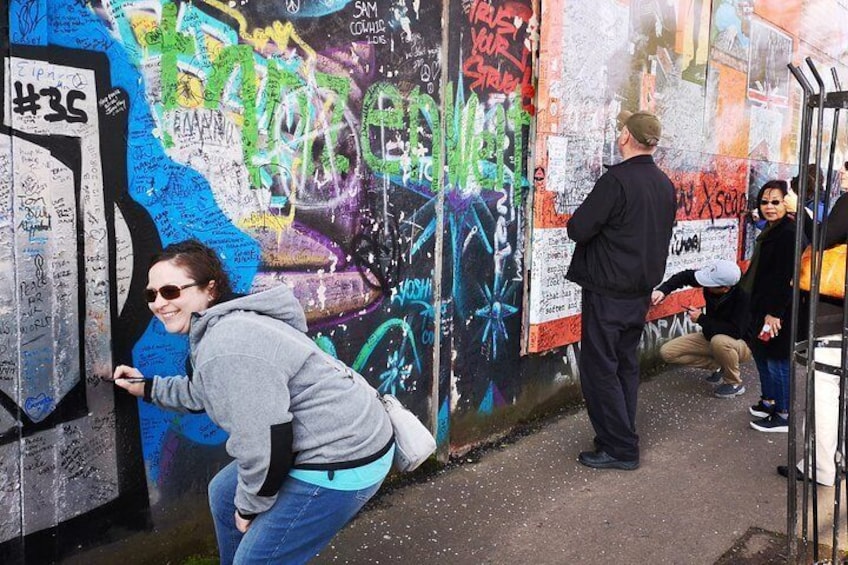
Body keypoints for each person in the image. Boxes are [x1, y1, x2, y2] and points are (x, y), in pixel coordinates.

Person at [110, 240, 395, 564]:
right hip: (340, 435)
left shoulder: (227, 343)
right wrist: (146, 388)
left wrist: (250, 506)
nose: (158, 303)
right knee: (223, 495)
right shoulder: (227, 322)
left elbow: (267, 443)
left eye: (171, 291)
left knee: (254, 557)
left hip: (345, 456)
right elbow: (205, 391)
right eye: (152, 294)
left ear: (210, 289)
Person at [566, 110, 676, 470]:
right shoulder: (664, 184)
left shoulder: (617, 181)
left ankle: (621, 447)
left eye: (620, 130)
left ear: (626, 137)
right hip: (639, 291)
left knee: (600, 370)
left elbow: (579, 228)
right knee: (624, 366)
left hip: (608, 290)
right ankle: (619, 434)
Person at [778, 164, 848, 485]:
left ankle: (822, 467)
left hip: (835, 314)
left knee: (825, 388)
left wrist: (800, 212)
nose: (843, 174)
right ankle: (839, 455)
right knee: (842, 390)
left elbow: (821, 239)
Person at [740, 180, 796, 433]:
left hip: (776, 310)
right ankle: (769, 401)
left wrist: (775, 313)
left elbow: (786, 277)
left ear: (787, 202)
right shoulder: (772, 229)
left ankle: (783, 413)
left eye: (776, 202)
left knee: (777, 359)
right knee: (763, 356)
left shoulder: (788, 233)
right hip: (761, 304)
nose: (769, 207)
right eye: (765, 202)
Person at [652, 260, 751, 398]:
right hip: (711, 336)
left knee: (719, 341)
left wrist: (701, 319)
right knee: (667, 352)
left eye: (710, 285)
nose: (705, 285)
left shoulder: (743, 297)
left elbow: (735, 331)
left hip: (740, 344)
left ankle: (734, 383)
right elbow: (685, 276)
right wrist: (663, 290)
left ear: (725, 288)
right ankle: (718, 365)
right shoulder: (714, 283)